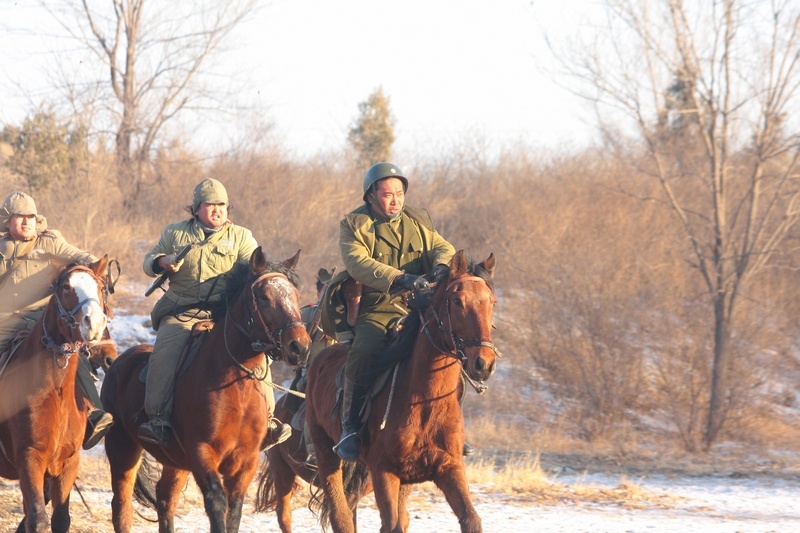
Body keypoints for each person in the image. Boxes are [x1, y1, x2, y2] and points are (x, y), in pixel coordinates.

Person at [138, 178, 292, 448]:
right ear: (197, 208)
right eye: (210, 204)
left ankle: (268, 422)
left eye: (222, 205)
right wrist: (163, 262)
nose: (217, 210)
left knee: (259, 356)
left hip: (225, 316)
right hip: (182, 313)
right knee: (164, 355)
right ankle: (158, 419)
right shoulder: (175, 233)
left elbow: (254, 270)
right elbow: (149, 262)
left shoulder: (241, 236)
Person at [332, 162, 457, 461]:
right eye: (387, 194)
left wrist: (441, 266)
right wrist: (399, 278)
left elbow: (443, 246)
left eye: (399, 193)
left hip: (421, 302)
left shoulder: (418, 219)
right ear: (371, 196)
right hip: (378, 305)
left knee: (452, 345)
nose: (395, 200)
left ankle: (450, 428)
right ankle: (351, 426)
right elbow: (357, 263)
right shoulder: (354, 224)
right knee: (363, 351)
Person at [0, 191, 114, 450]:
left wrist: (91, 273)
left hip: (40, 319)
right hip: (3, 323)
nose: (26, 222)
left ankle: (94, 412)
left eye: (30, 216)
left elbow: (83, 258)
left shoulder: (50, 242)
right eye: (19, 217)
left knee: (73, 351)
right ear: (7, 221)